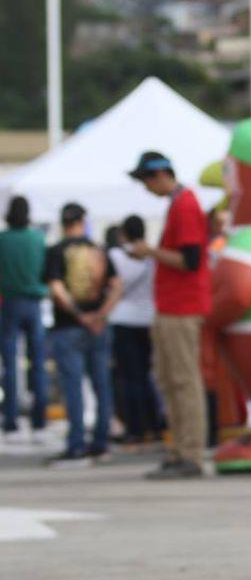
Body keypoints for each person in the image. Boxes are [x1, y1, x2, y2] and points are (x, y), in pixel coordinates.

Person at [128, 150, 210, 479]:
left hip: (182, 306)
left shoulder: (186, 205)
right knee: (169, 380)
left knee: (183, 381)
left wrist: (150, 252)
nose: (146, 188)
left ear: (161, 175)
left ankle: (190, 453)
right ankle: (179, 450)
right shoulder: (179, 204)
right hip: (171, 307)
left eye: (147, 180)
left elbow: (190, 260)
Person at [43, 202, 122, 467]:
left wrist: (79, 315)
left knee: (73, 387)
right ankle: (101, 441)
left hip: (69, 326)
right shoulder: (97, 249)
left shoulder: (56, 251)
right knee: (102, 385)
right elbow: (116, 286)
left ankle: (76, 442)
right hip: (99, 327)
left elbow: (56, 288)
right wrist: (100, 314)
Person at [107, 215, 163, 445]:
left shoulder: (116, 256)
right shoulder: (152, 256)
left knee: (129, 378)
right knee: (146, 375)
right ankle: (155, 424)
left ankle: (136, 427)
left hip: (123, 319)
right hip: (148, 318)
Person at [0, 195, 49, 442]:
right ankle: (39, 422)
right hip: (34, 302)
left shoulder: (3, 240)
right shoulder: (37, 238)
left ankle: (11, 422)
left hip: (9, 303)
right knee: (37, 365)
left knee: (10, 365)